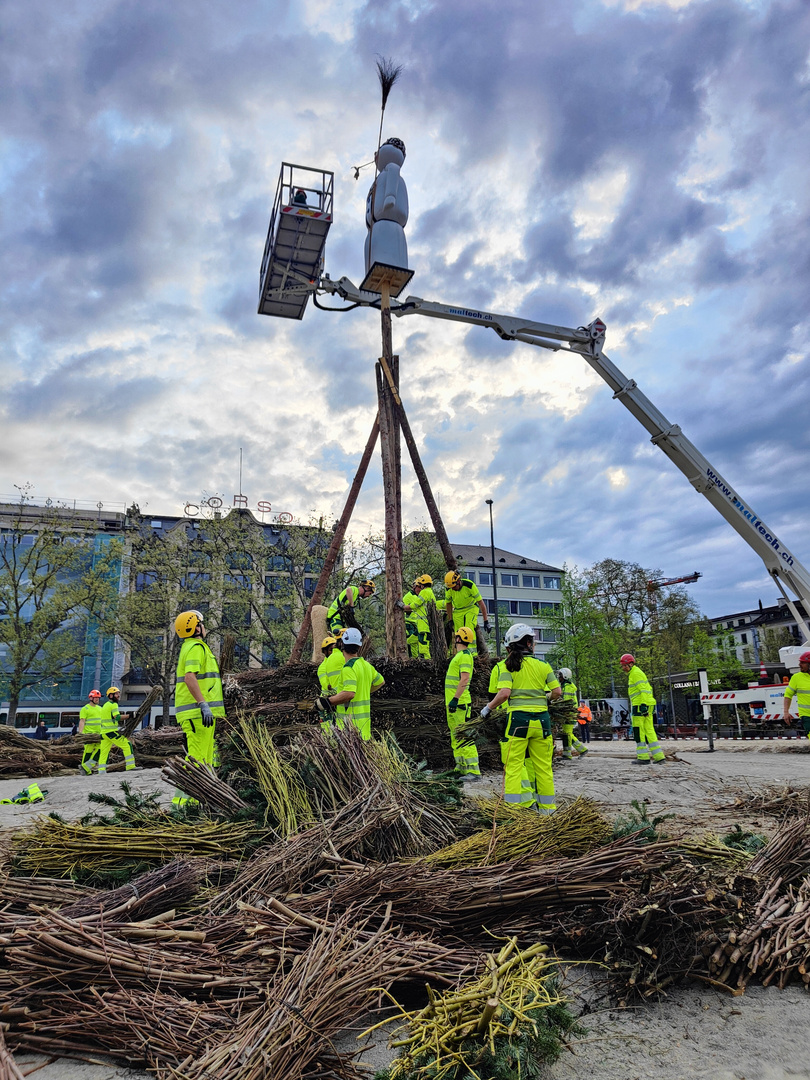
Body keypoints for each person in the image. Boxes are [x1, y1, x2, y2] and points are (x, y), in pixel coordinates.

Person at [481, 623, 561, 812]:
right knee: (543, 768)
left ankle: (513, 812)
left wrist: (488, 708)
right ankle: (548, 811)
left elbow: (504, 694)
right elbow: (557, 692)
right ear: (529, 643)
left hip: (518, 723)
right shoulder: (543, 665)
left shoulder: (509, 666)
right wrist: (546, 698)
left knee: (514, 767)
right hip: (542, 723)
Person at [173, 609, 225, 805]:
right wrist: (203, 704)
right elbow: (189, 677)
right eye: (201, 623)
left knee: (203, 758)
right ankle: (184, 804)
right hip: (198, 714)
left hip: (200, 714)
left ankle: (194, 802)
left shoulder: (191, 647)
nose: (204, 627)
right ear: (195, 628)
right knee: (197, 760)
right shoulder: (196, 647)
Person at [316, 627, 384, 740]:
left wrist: (327, 702)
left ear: (342, 644)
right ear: (359, 646)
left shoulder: (348, 668)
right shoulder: (366, 665)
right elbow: (380, 682)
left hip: (350, 730)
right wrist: (364, 691)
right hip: (364, 727)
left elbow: (349, 694)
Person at [489, 648, 535, 806]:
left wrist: (488, 710)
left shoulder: (501, 667)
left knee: (513, 761)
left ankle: (524, 801)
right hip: (533, 718)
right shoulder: (534, 666)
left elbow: (494, 695)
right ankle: (535, 794)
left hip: (509, 720)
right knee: (529, 758)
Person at [444, 626, 480, 776]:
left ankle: (473, 770)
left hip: (459, 703)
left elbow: (465, 678)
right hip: (454, 703)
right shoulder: (460, 656)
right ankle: (461, 768)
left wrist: (455, 699)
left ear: (459, 638)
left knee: (465, 737)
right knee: (456, 736)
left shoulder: (465, 656)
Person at [620, 654, 665, 763]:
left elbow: (643, 690)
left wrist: (643, 705)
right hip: (646, 704)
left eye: (625, 665)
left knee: (638, 730)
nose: (623, 668)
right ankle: (659, 757)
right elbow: (647, 689)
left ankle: (643, 757)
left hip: (640, 705)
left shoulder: (635, 674)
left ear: (631, 664)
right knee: (649, 730)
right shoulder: (637, 673)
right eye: (622, 665)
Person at [444, 571, 490, 657]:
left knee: (469, 627)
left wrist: (486, 621)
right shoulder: (449, 588)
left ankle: (473, 654)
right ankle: (460, 653)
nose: (453, 589)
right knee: (459, 632)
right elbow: (448, 603)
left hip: (471, 608)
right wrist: (450, 619)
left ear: (458, 581)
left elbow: (481, 603)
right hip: (458, 610)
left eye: (454, 587)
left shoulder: (469, 585)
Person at [97, 687, 136, 773]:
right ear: (111, 695)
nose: (118, 695)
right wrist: (130, 716)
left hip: (103, 733)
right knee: (127, 745)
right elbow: (117, 717)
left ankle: (101, 770)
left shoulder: (105, 705)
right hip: (111, 732)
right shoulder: (113, 704)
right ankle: (130, 766)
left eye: (119, 693)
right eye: (116, 694)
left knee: (104, 752)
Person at [401, 574, 437, 659]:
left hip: (424, 625)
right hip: (422, 625)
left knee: (423, 645)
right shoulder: (430, 592)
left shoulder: (425, 592)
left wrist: (403, 607)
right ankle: (418, 659)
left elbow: (416, 604)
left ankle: (427, 661)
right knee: (413, 641)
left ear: (422, 584)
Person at [316, 631, 346, 732]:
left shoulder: (337, 659)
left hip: (335, 699)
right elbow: (324, 682)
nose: (331, 652)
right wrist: (329, 686)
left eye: (333, 649)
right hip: (326, 701)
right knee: (327, 728)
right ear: (324, 652)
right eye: (329, 650)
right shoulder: (322, 667)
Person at [557, 667, 588, 760]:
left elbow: (565, 701)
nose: (559, 677)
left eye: (560, 675)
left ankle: (567, 754)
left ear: (565, 676)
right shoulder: (566, 686)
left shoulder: (567, 687)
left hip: (568, 714)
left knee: (567, 734)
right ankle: (582, 750)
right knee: (567, 733)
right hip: (568, 714)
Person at [783, 650, 810, 739]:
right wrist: (786, 712)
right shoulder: (796, 678)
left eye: (803, 662)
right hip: (807, 716)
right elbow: (788, 695)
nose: (799, 665)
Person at [78, 690, 104, 774]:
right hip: (88, 734)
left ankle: (85, 767)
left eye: (98, 698)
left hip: (98, 734)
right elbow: (82, 721)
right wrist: (81, 733)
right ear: (91, 698)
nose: (97, 699)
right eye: (96, 698)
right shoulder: (85, 709)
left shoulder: (100, 709)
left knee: (100, 750)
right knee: (88, 752)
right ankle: (86, 770)